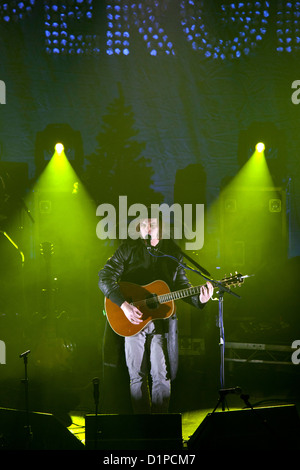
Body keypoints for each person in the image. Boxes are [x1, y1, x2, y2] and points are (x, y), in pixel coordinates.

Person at [98, 216, 213, 414]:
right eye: (143, 224)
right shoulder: (128, 248)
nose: (147, 227)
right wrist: (124, 305)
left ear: (161, 228)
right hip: (132, 319)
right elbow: (104, 277)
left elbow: (181, 285)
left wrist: (199, 299)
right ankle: (143, 425)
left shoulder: (172, 252)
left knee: (161, 374)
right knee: (137, 375)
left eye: (152, 223)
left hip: (160, 322)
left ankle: (161, 425)